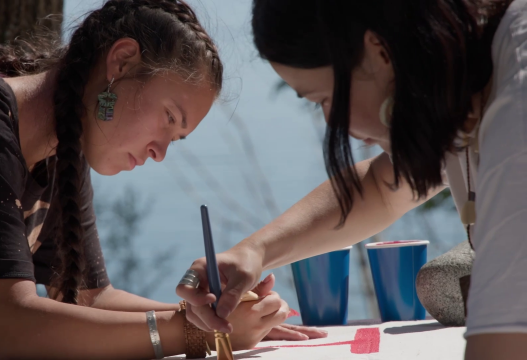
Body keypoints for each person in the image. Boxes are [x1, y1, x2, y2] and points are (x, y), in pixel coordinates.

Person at [0, 0, 326, 358]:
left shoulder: (59, 151)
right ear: (121, 61)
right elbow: (14, 328)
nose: (160, 152)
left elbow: (92, 299)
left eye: (177, 138)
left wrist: (219, 319)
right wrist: (197, 336)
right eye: (168, 118)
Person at [178, 0, 527, 359]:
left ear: (379, 52)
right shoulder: (462, 87)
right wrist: (252, 253)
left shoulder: (517, 109)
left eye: (323, 99)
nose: (333, 123)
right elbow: (381, 189)